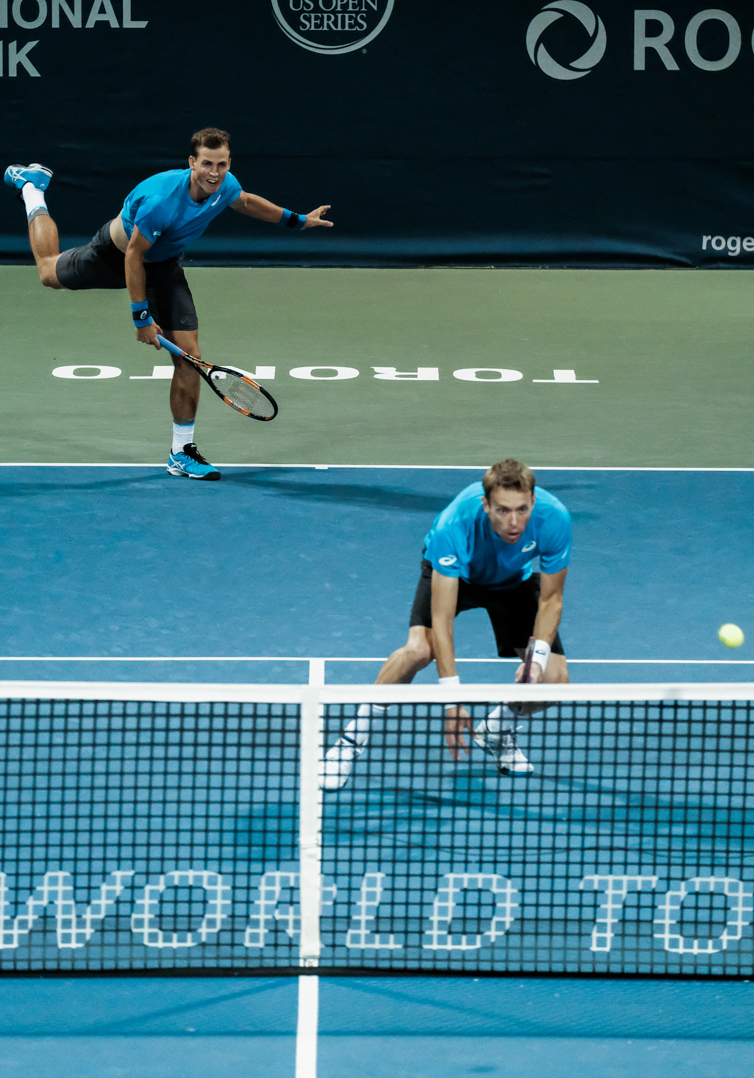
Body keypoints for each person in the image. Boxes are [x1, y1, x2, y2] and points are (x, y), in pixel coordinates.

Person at [4, 129, 333, 480]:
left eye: (221, 164)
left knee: (189, 357)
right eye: (206, 164)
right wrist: (141, 318)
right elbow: (133, 257)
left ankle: (181, 452)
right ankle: (33, 188)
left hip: (163, 267)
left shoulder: (226, 185)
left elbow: (247, 202)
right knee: (48, 273)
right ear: (192, 162)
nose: (214, 173)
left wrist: (299, 220)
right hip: (113, 257)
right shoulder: (160, 201)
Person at [319, 458, 572, 790]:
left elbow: (551, 601)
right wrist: (453, 701)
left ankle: (497, 728)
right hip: (458, 577)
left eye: (522, 510)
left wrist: (535, 663)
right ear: (485, 505)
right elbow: (441, 620)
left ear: (533, 502)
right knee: (417, 651)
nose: (514, 522)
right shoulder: (454, 525)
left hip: (513, 582)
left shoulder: (554, 518)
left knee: (554, 681)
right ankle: (350, 741)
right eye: (502, 510)